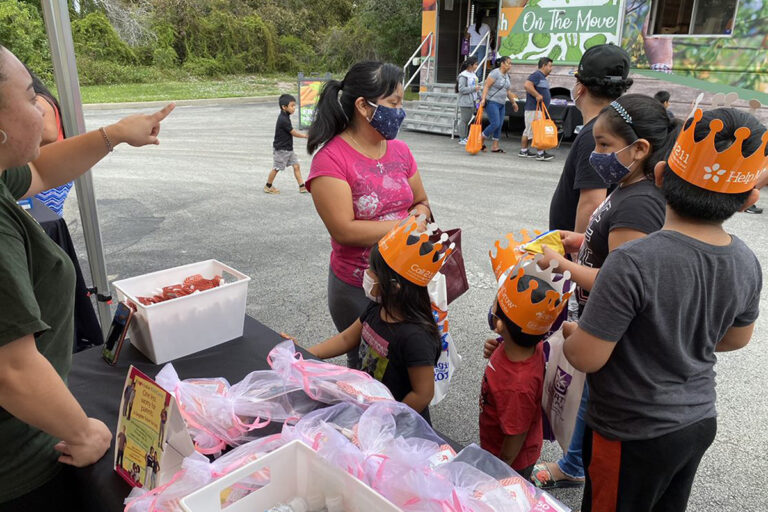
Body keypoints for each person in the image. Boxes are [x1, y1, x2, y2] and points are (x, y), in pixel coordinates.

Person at [562, 107, 762, 511]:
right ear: (749, 200)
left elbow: (587, 356)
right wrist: (681, 335)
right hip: (697, 421)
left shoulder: (632, 261)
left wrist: (570, 335)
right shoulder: (746, 260)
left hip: (630, 428)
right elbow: (737, 338)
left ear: (659, 175)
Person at [0, 44, 173, 508]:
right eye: (29, 97)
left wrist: (113, 134)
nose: (42, 108)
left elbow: (39, 169)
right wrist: (84, 432)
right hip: (22, 465)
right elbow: (11, 370)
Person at [525, 94, 681, 490]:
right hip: (601, 320)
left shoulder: (640, 203)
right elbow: (613, 249)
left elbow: (620, 282)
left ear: (640, 149)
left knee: (595, 397)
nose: (596, 154)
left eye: (605, 145)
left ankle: (578, 465)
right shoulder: (627, 185)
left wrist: (563, 265)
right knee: (590, 394)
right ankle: (576, 461)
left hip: (611, 327)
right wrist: (580, 240)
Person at [306, 61, 432, 369]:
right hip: (358, 285)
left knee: (410, 364)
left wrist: (420, 214)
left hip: (407, 281)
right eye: (394, 103)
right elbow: (344, 230)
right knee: (369, 367)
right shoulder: (331, 160)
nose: (400, 111)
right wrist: (405, 226)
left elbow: (422, 201)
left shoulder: (400, 151)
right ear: (364, 105)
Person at [307, 217, 444, 423]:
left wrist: (384, 420)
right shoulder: (379, 306)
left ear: (394, 285)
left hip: (393, 422)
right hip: (367, 406)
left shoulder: (415, 337)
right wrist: (307, 354)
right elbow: (346, 339)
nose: (367, 273)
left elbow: (422, 394)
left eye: (372, 270)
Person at [480, 257, 572, 481]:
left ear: (499, 324)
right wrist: (499, 348)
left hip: (510, 461)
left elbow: (516, 434)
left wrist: (500, 467)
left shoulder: (516, 386)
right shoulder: (531, 345)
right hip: (503, 445)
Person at [548, 44, 633, 234]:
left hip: (575, 251)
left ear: (581, 88)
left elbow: (592, 204)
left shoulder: (595, 136)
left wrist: (578, 255)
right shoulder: (615, 126)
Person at [25, 69, 71, 216]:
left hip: (48, 168)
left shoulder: (38, 100)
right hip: (52, 169)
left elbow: (49, 134)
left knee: (45, 219)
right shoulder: (42, 98)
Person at [264, 94, 308, 195]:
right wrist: (304, 136)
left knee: (296, 166)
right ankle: (268, 186)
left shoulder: (286, 116)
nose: (294, 108)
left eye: (294, 106)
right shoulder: (283, 119)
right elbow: (293, 132)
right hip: (281, 149)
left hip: (288, 148)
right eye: (292, 106)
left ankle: (302, 186)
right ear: (284, 107)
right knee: (276, 168)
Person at [479, 56, 519, 153]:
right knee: (495, 123)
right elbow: (486, 86)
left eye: (511, 63)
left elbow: (508, 91)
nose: (510, 65)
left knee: (500, 124)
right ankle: (480, 139)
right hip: (492, 102)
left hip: (502, 103)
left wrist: (513, 102)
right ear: (502, 63)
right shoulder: (495, 73)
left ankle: (495, 146)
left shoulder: (507, 76)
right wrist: (483, 99)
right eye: (508, 63)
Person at [520, 57, 554, 161]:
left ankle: (524, 151)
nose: (551, 68)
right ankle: (540, 153)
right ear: (543, 66)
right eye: (550, 66)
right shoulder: (536, 75)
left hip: (537, 109)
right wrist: (537, 95)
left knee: (528, 130)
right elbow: (527, 85)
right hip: (534, 109)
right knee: (538, 131)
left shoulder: (542, 77)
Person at [456, 56, 481, 145]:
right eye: (476, 64)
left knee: (467, 120)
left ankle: (464, 137)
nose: (477, 66)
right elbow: (461, 89)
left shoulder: (473, 75)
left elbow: (476, 88)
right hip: (466, 101)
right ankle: (462, 137)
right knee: (464, 120)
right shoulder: (463, 75)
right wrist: (474, 88)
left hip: (473, 101)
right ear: (470, 65)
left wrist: (479, 97)